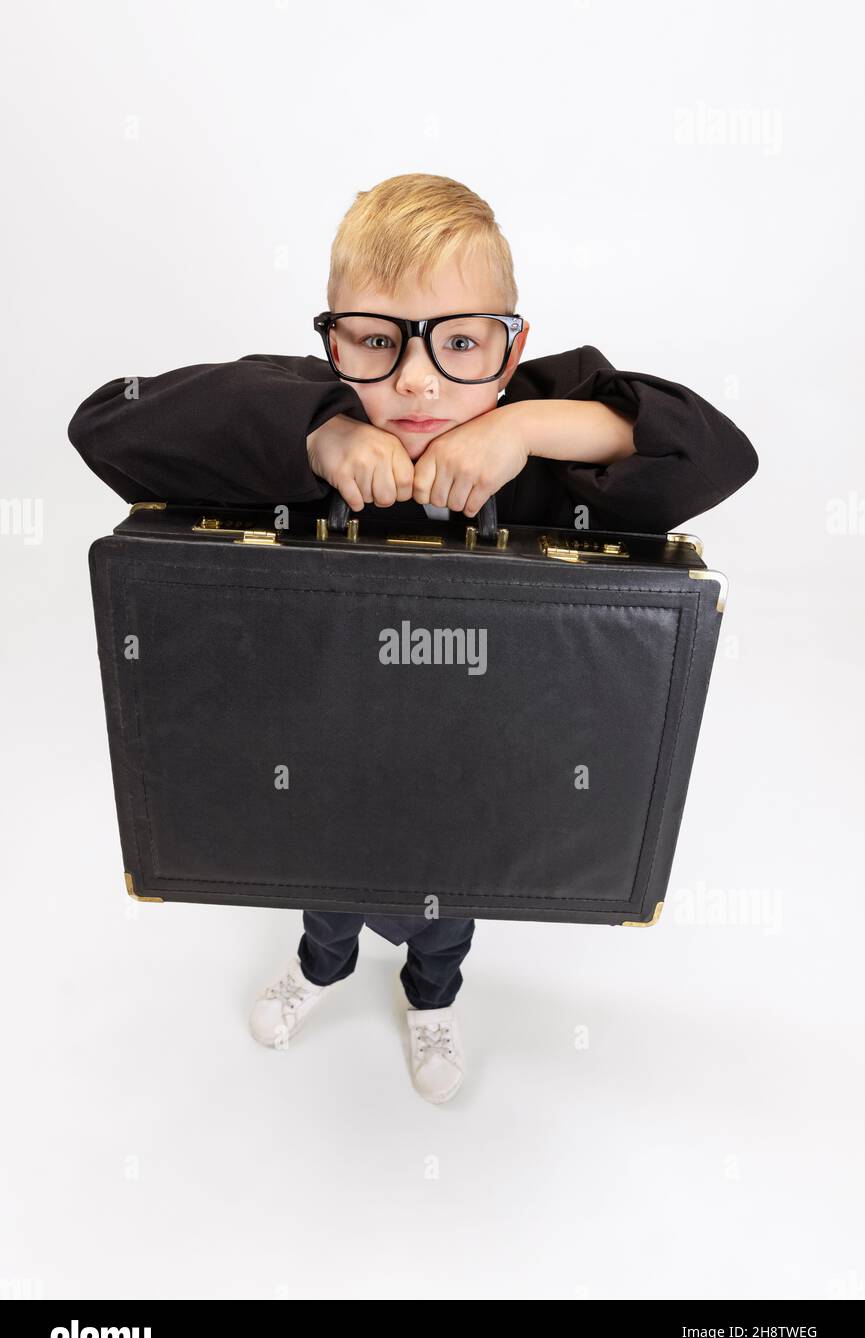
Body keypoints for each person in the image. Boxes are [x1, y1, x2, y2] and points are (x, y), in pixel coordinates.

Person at [67, 171, 760, 1105]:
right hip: (327, 752)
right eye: (377, 342)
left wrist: (521, 430)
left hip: (474, 768)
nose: (418, 379)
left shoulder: (542, 431)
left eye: (462, 342)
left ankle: (432, 1001)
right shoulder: (322, 406)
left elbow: (719, 452)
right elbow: (107, 421)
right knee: (323, 885)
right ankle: (319, 970)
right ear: (337, 340)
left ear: (511, 350)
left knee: (448, 913)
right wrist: (320, 439)